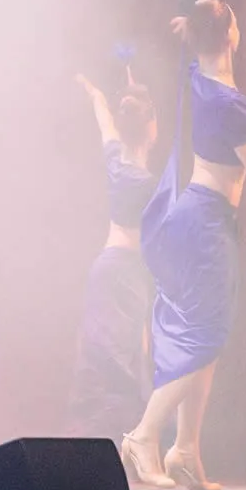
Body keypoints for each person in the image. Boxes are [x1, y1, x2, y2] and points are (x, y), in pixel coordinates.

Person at [119, 0, 246, 490]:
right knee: (206, 336)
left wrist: (190, 31)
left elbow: (194, 47)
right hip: (203, 224)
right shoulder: (226, 101)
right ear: (231, 35)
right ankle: (143, 434)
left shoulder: (200, 78)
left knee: (206, 339)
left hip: (200, 218)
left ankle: (185, 450)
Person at [64, 69, 157, 441]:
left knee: (103, 355)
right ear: (153, 126)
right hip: (125, 272)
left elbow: (105, 123)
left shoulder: (117, 160)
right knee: (121, 360)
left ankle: (101, 440)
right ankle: (115, 442)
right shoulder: (148, 184)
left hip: (106, 268)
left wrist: (96, 95)